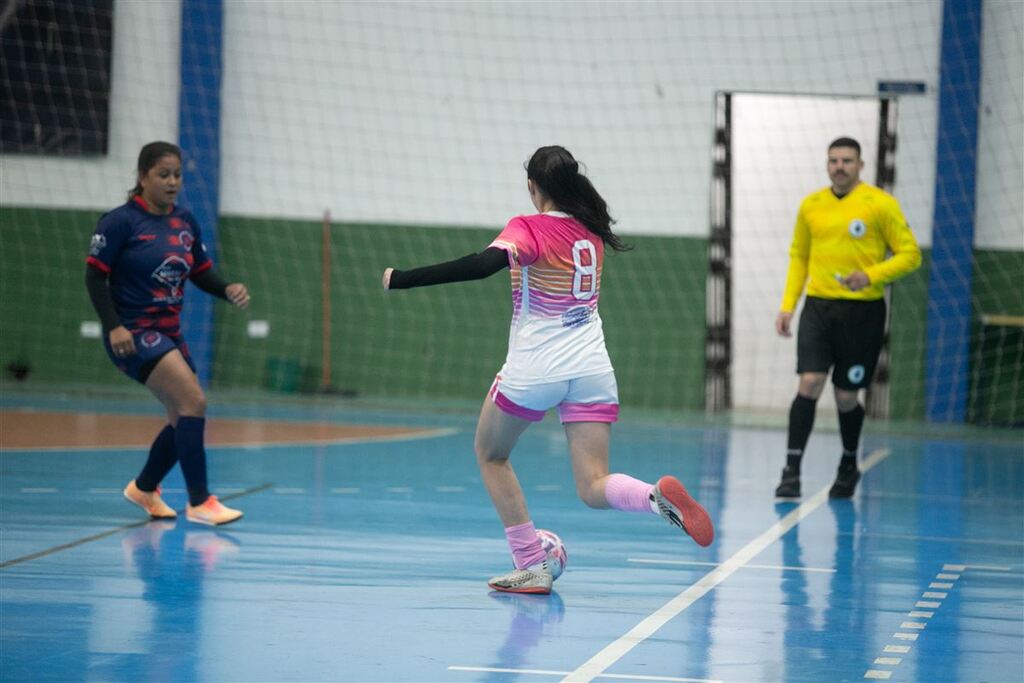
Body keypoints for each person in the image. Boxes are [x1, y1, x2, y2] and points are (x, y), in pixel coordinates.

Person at [382, 146, 713, 594]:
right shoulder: (591, 231)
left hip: (536, 367)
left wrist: (402, 278)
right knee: (593, 484)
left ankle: (530, 564)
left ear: (534, 187)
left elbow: (482, 266)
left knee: (491, 455)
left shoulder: (528, 227)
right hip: (592, 366)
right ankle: (654, 497)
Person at [85, 141, 249, 525]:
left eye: (177, 174)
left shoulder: (185, 222)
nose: (172, 181)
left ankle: (144, 488)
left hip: (169, 332)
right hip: (134, 333)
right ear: (143, 178)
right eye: (163, 174)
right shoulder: (120, 222)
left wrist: (226, 288)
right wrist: (114, 326)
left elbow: (199, 271)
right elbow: (95, 277)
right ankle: (200, 501)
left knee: (181, 417)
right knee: (194, 402)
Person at [774, 137, 921, 499]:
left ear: (860, 165)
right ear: (827, 165)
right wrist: (788, 304)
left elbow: (911, 255)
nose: (839, 166)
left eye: (847, 161)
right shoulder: (811, 205)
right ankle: (791, 471)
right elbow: (799, 257)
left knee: (845, 394)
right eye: (834, 160)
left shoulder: (879, 204)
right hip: (819, 308)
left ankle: (848, 464)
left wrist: (870, 275)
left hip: (863, 312)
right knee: (808, 383)